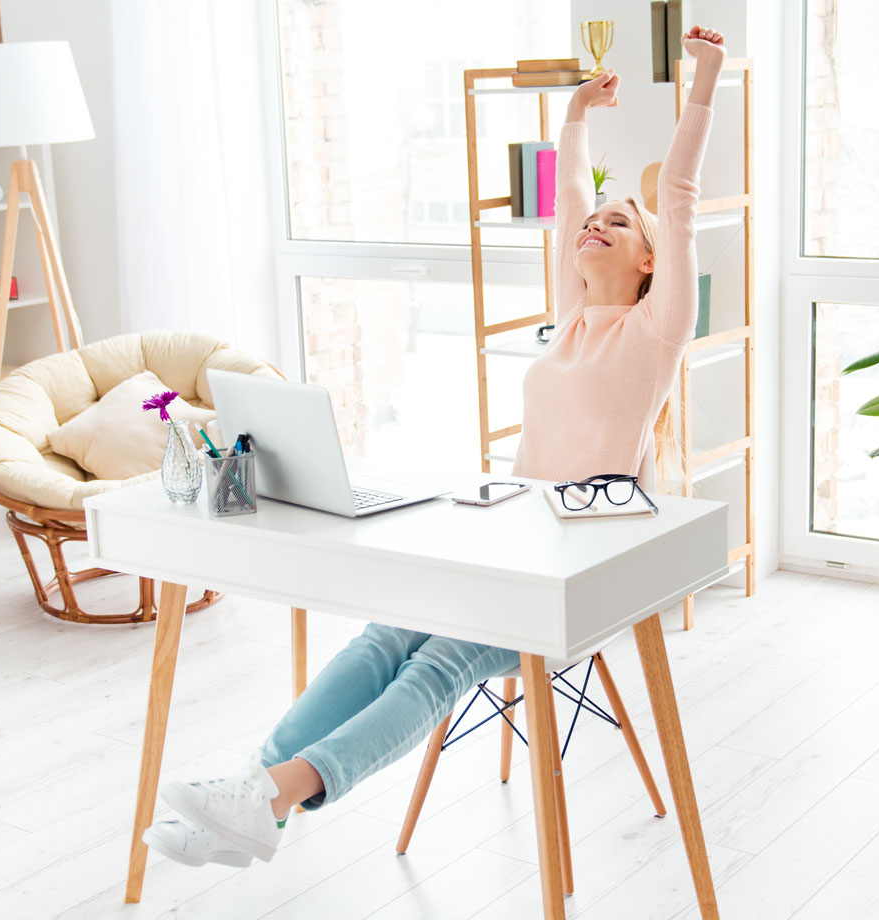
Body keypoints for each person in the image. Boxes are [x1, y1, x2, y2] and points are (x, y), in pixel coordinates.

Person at [142, 25, 729, 870]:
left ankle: (271, 797)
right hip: (507, 537)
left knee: (439, 664)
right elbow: (564, 203)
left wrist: (702, 78)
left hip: (575, 576)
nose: (592, 227)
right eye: (589, 222)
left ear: (648, 261)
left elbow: (676, 191)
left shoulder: (657, 330)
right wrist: (570, 120)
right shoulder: (571, 318)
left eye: (616, 223)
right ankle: (249, 799)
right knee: (382, 639)